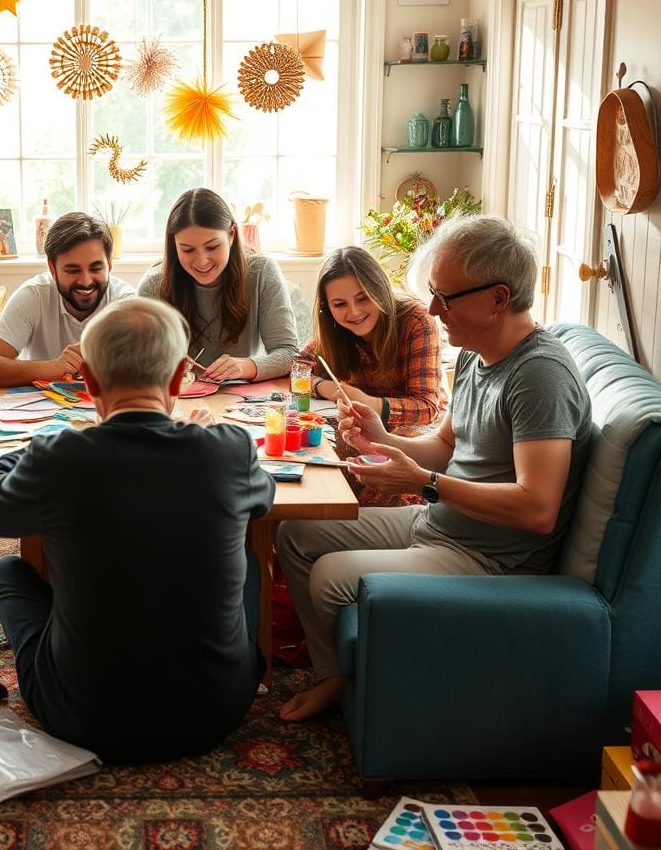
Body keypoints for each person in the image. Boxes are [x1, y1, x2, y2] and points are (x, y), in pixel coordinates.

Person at [276, 215, 593, 722]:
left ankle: (344, 683)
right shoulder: (474, 354)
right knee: (294, 532)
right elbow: (446, 445)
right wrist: (381, 437)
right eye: (431, 294)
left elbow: (538, 509)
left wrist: (420, 482)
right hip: (440, 525)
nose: (430, 309)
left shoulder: (540, 377)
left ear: (498, 299)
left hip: (490, 557)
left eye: (445, 298)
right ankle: (334, 674)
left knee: (331, 576)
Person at [0, 298, 274, 762]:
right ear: (177, 379)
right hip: (217, 711)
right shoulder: (228, 450)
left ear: (88, 381)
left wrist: (35, 448)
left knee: (8, 571)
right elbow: (263, 501)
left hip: (82, 716)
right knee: (248, 559)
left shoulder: (60, 456)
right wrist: (201, 437)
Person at [138, 188, 298, 382]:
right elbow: (139, 361)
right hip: (179, 400)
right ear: (174, 244)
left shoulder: (261, 272)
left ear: (231, 235)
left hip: (244, 401)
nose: (201, 261)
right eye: (187, 250)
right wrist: (163, 363)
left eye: (212, 247)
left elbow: (289, 354)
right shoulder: (154, 285)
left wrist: (246, 366)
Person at [0, 212, 134, 389]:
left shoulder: (125, 302)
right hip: (37, 409)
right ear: (52, 267)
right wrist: (53, 367)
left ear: (110, 265)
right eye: (73, 270)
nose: (86, 281)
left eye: (96, 268)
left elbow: (149, 370)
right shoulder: (33, 295)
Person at [302, 246, 446, 430]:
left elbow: (426, 408)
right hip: (364, 427)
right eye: (339, 304)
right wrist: (328, 388)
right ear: (327, 308)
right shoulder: (334, 327)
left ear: (379, 290)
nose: (353, 312)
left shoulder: (416, 321)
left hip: (423, 433)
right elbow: (298, 369)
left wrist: (367, 402)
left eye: (363, 298)